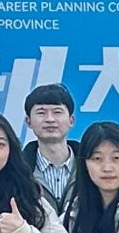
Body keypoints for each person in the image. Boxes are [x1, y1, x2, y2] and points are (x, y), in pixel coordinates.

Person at [21, 84, 79, 216]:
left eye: (57, 112)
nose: (50, 119)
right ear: (28, 121)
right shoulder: (17, 170)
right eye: (41, 113)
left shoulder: (90, 166)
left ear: (71, 120)